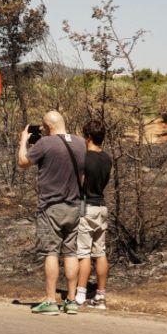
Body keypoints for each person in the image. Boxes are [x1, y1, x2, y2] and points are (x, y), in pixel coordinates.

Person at [18, 110, 87, 315]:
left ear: (47, 127)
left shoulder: (45, 144)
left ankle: (50, 300)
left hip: (51, 206)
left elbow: (23, 162)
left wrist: (23, 141)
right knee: (71, 252)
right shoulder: (81, 143)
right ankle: (71, 300)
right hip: (74, 206)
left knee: (51, 252)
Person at [76, 120, 113, 309]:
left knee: (83, 253)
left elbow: (80, 183)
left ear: (88, 137)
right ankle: (100, 295)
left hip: (85, 205)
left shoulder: (84, 158)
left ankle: (80, 293)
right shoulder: (107, 158)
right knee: (100, 252)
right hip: (101, 205)